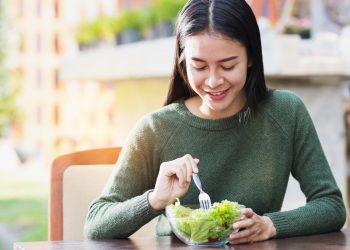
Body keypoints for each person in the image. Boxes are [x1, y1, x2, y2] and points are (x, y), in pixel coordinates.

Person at [84, 0, 346, 244]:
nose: (213, 81)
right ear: (183, 61)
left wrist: (270, 225)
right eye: (199, 66)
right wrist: (155, 199)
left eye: (228, 66)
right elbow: (96, 223)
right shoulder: (155, 129)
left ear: (251, 58)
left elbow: (331, 205)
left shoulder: (285, 112)